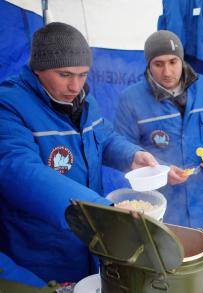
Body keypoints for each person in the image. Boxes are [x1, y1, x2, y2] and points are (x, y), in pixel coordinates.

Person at [0, 22, 158, 286]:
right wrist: (98, 211)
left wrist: (132, 155)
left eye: (83, 74)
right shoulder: (9, 105)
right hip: (42, 248)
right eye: (65, 74)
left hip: (89, 242)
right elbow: (18, 170)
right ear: (37, 68)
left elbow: (103, 137)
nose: (75, 85)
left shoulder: (84, 101)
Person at [114, 30, 203, 237]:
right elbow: (120, 147)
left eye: (173, 62)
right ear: (148, 64)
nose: (167, 71)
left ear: (182, 60)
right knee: (166, 261)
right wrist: (160, 172)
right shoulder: (131, 99)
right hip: (162, 207)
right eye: (158, 64)